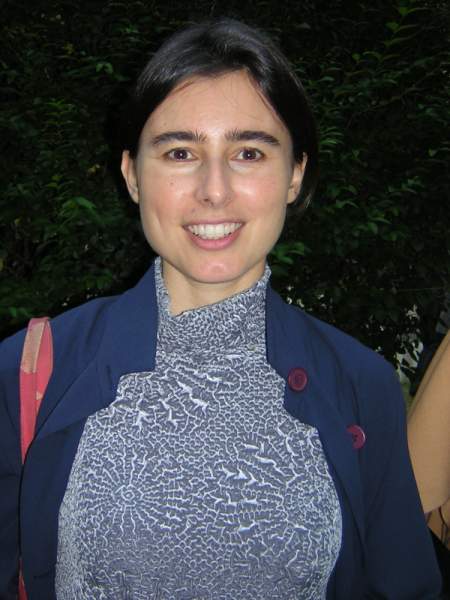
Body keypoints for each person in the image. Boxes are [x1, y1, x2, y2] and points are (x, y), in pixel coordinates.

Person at [0, 18, 441, 600]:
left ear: (295, 174)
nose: (214, 189)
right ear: (133, 175)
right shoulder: (31, 371)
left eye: (249, 152)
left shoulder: (361, 386)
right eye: (180, 152)